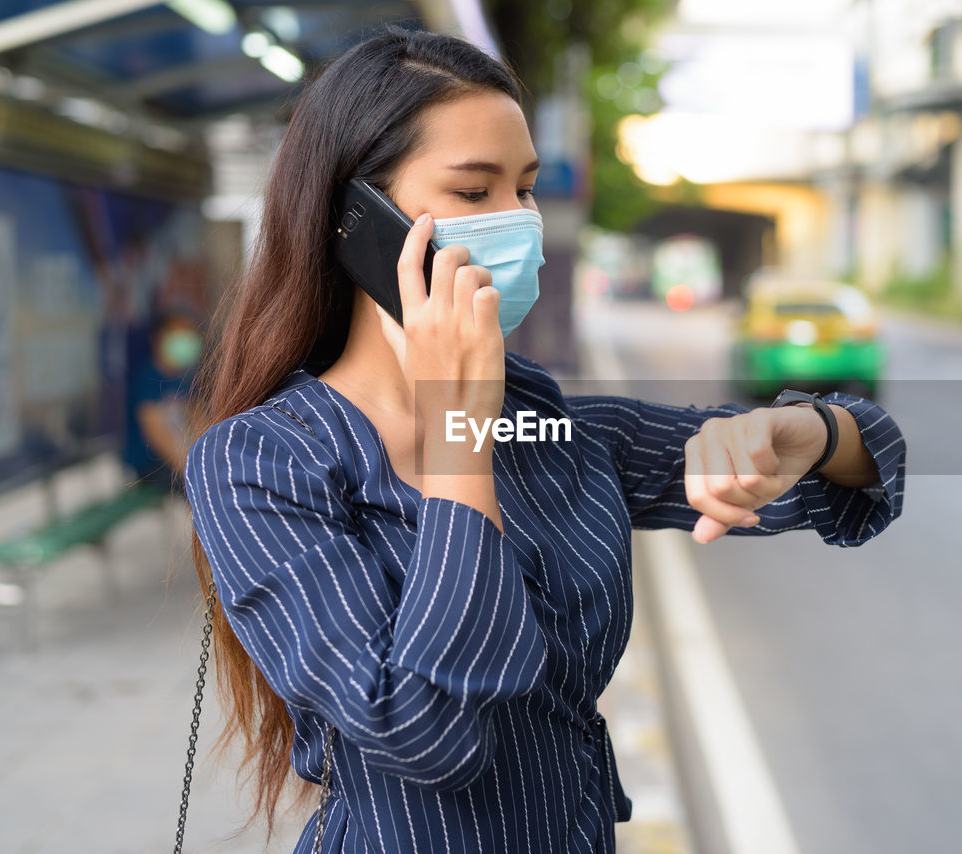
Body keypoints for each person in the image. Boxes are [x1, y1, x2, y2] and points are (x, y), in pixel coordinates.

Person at [184, 26, 906, 854]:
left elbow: (866, 470)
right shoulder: (264, 461)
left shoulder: (540, 421)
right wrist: (458, 430)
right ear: (360, 220)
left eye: (524, 189)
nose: (517, 223)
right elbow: (425, 736)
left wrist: (811, 430)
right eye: (473, 191)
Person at [123, 308, 202, 491]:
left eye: (189, 333)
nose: (187, 340)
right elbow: (159, 437)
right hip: (150, 470)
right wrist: (194, 471)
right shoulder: (147, 378)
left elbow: (200, 423)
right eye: (180, 334)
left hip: (181, 466)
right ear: (158, 340)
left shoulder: (184, 378)